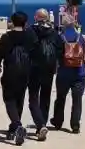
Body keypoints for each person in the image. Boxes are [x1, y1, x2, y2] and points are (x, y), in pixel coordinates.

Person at [0, 10, 32, 144]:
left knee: (9, 100)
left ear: (12, 22)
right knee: (19, 100)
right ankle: (13, 128)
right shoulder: (29, 36)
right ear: (25, 22)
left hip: (10, 72)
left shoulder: (7, 37)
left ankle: (17, 125)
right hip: (25, 72)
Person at [51, 14, 85, 134]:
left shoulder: (60, 37)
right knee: (77, 100)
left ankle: (58, 122)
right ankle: (75, 125)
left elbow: (55, 56)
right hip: (79, 73)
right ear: (74, 24)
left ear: (63, 25)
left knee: (60, 98)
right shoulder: (81, 37)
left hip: (63, 73)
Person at [25, 8, 61, 140]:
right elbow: (60, 49)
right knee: (45, 97)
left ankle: (40, 125)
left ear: (36, 17)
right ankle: (43, 122)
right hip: (49, 69)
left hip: (34, 68)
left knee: (33, 98)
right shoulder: (54, 32)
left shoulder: (30, 31)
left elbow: (26, 48)